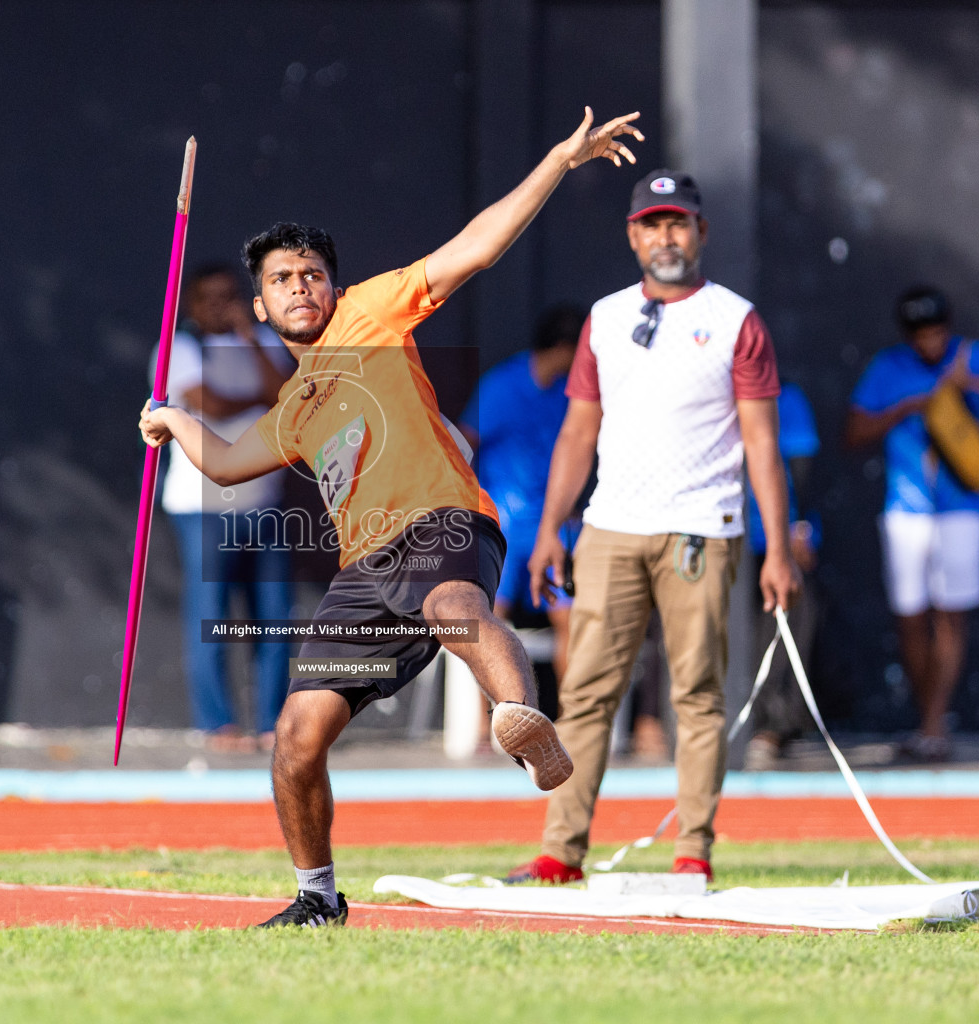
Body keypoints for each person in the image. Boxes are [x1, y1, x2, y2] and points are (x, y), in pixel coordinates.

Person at [138, 107, 644, 926]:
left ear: (332, 285)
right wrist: (172, 422)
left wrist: (555, 159)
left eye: (310, 274)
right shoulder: (292, 408)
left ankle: (519, 718)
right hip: (363, 571)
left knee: (453, 606)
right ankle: (317, 897)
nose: (299, 287)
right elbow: (228, 462)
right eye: (280, 280)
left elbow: (476, 248)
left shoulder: (371, 311)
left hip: (443, 520)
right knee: (296, 738)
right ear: (260, 308)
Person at [505, 169, 800, 886]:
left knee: (696, 694)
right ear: (632, 235)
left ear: (701, 232)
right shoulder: (604, 318)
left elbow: (763, 441)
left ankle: (692, 850)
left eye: (678, 222)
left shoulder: (735, 318)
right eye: (652, 223)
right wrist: (551, 528)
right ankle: (560, 851)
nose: (665, 235)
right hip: (610, 526)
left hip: (701, 525)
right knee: (585, 693)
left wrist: (778, 545)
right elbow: (579, 430)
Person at [845, 286, 979, 762]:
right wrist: (910, 407)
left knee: (951, 614)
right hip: (907, 508)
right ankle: (927, 719)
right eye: (922, 336)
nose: (932, 344)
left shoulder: (976, 359)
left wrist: (976, 387)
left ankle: (934, 724)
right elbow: (852, 432)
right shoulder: (888, 368)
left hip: (965, 508)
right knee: (911, 616)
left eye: (938, 334)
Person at [154, 264, 296, 752]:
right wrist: (259, 398)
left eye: (229, 296)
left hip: (265, 501)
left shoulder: (265, 343)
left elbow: (286, 396)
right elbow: (206, 405)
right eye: (209, 298)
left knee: (275, 617)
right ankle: (218, 724)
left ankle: (273, 722)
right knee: (210, 614)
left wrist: (249, 338)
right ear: (192, 304)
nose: (221, 305)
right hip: (201, 505)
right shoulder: (177, 349)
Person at [458, 306, 586, 678]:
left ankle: (571, 725)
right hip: (503, 525)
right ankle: (486, 727)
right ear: (564, 347)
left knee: (572, 619)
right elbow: (462, 446)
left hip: (553, 525)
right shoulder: (501, 387)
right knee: (490, 618)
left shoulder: (571, 393)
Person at [743, 380, 822, 769]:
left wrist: (798, 529)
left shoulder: (786, 399)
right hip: (718, 536)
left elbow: (803, 468)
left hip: (774, 538)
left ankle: (773, 726)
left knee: (782, 624)